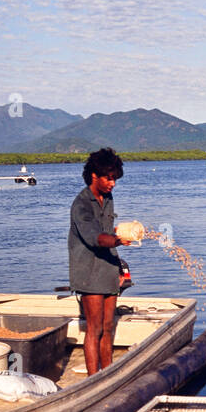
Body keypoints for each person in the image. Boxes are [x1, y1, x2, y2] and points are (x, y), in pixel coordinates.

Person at [69, 148, 134, 374]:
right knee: (94, 328)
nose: (113, 183)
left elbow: (105, 230)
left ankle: (107, 373)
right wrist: (118, 240)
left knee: (108, 327)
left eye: (115, 178)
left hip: (107, 267)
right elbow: (95, 238)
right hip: (88, 272)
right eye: (109, 178)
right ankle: (92, 378)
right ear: (94, 176)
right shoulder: (81, 205)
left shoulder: (107, 198)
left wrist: (118, 237)